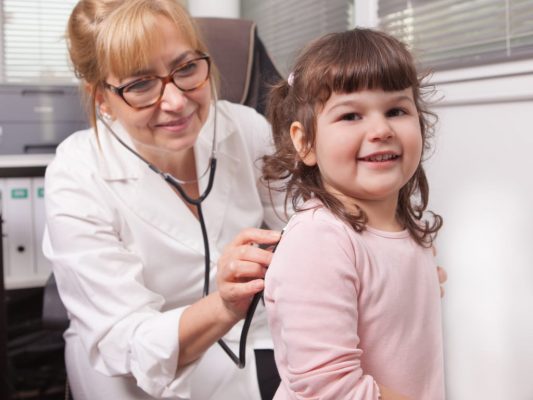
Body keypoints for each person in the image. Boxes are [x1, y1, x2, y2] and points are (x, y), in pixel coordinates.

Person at [43, 0, 286, 399]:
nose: (176, 101)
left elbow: (302, 223)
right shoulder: (77, 173)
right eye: (140, 85)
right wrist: (223, 305)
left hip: (244, 344)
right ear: (101, 97)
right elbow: (124, 338)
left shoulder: (244, 128)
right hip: (132, 370)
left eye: (187, 68)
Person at [262, 28, 445, 399]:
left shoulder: (401, 229)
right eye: (350, 116)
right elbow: (331, 388)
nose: (380, 129)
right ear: (306, 142)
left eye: (396, 110)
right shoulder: (319, 240)